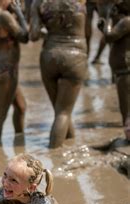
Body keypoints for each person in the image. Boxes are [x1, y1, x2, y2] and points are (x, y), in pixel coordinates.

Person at [30, 0, 88, 148]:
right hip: (75, 57)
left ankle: (70, 143)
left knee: (61, 111)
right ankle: (55, 158)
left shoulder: (39, 3)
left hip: (49, 56)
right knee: (63, 112)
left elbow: (34, 35)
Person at [0, 0, 28, 141]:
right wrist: (19, 14)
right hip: (6, 68)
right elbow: (25, 37)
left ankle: (19, 141)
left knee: (21, 107)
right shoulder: (3, 16)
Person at [96, 0, 130, 133]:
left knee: (125, 105)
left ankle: (126, 132)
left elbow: (110, 37)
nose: (115, 8)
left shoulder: (126, 21)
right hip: (124, 68)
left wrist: (108, 20)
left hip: (125, 69)